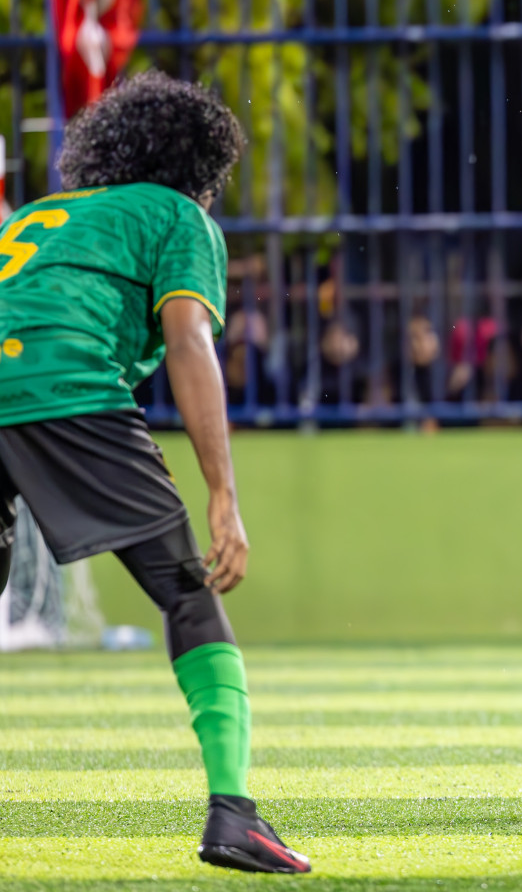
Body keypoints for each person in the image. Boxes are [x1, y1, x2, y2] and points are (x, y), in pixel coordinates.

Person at [0, 71, 310, 872]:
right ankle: (235, 816)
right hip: (66, 389)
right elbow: (189, 344)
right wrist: (223, 497)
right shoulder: (179, 217)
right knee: (185, 591)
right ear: (200, 167)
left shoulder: (39, 215)